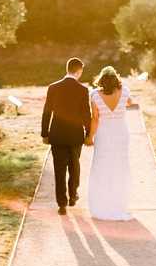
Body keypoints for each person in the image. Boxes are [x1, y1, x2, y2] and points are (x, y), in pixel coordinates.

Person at [41, 57, 92, 215]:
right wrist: (88, 133)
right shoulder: (82, 90)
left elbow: (47, 112)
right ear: (79, 71)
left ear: (67, 69)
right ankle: (73, 195)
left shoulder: (53, 87)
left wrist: (45, 133)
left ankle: (61, 204)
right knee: (74, 166)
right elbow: (86, 114)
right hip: (75, 135)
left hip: (57, 135)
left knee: (59, 169)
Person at [86, 65, 133, 221]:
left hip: (104, 134)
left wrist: (90, 137)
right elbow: (130, 103)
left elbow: (95, 118)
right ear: (116, 79)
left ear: (101, 79)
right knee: (120, 165)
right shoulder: (124, 91)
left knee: (102, 166)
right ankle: (119, 203)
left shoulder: (94, 95)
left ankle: (102, 203)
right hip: (121, 133)